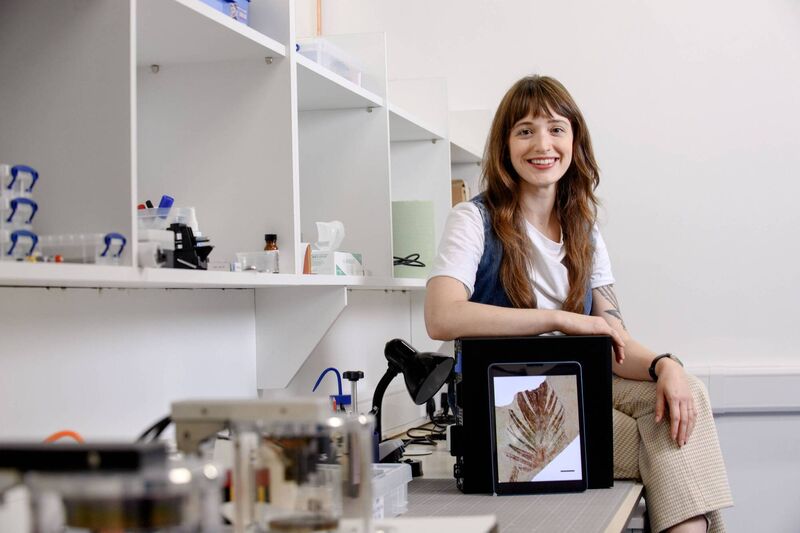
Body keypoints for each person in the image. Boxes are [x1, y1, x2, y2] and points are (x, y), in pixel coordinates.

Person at [425, 75, 733, 533]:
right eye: (525, 130)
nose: (542, 144)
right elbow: (441, 316)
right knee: (664, 441)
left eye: (555, 129)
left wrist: (667, 365)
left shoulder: (584, 232)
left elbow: (614, 341)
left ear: (575, 140)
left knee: (684, 394)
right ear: (505, 145)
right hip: (511, 405)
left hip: (579, 390)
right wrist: (561, 321)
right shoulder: (472, 220)